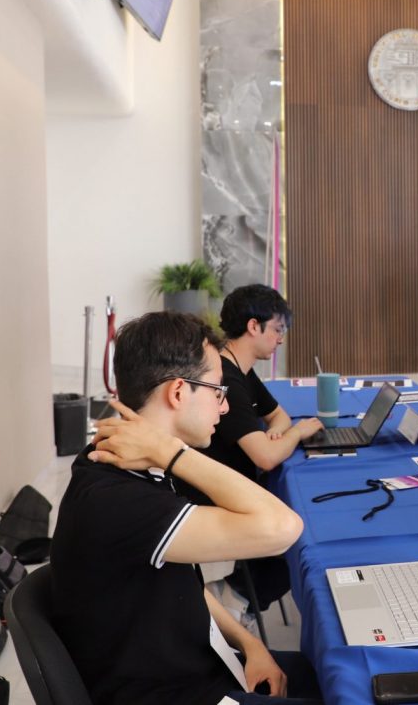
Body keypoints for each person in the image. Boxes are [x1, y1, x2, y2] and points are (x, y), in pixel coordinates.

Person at [50, 312, 322, 705]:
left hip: (200, 663)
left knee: (343, 679)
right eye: (218, 391)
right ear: (178, 392)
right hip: (172, 693)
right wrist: (171, 451)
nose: (224, 408)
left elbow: (183, 585)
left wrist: (250, 643)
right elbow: (284, 527)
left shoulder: (126, 462)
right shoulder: (116, 496)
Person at [189, 284, 324, 484]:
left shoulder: (241, 367)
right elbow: (266, 458)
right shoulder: (226, 379)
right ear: (253, 326)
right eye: (277, 330)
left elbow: (279, 415)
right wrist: (297, 432)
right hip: (226, 491)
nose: (280, 340)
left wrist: (274, 433)